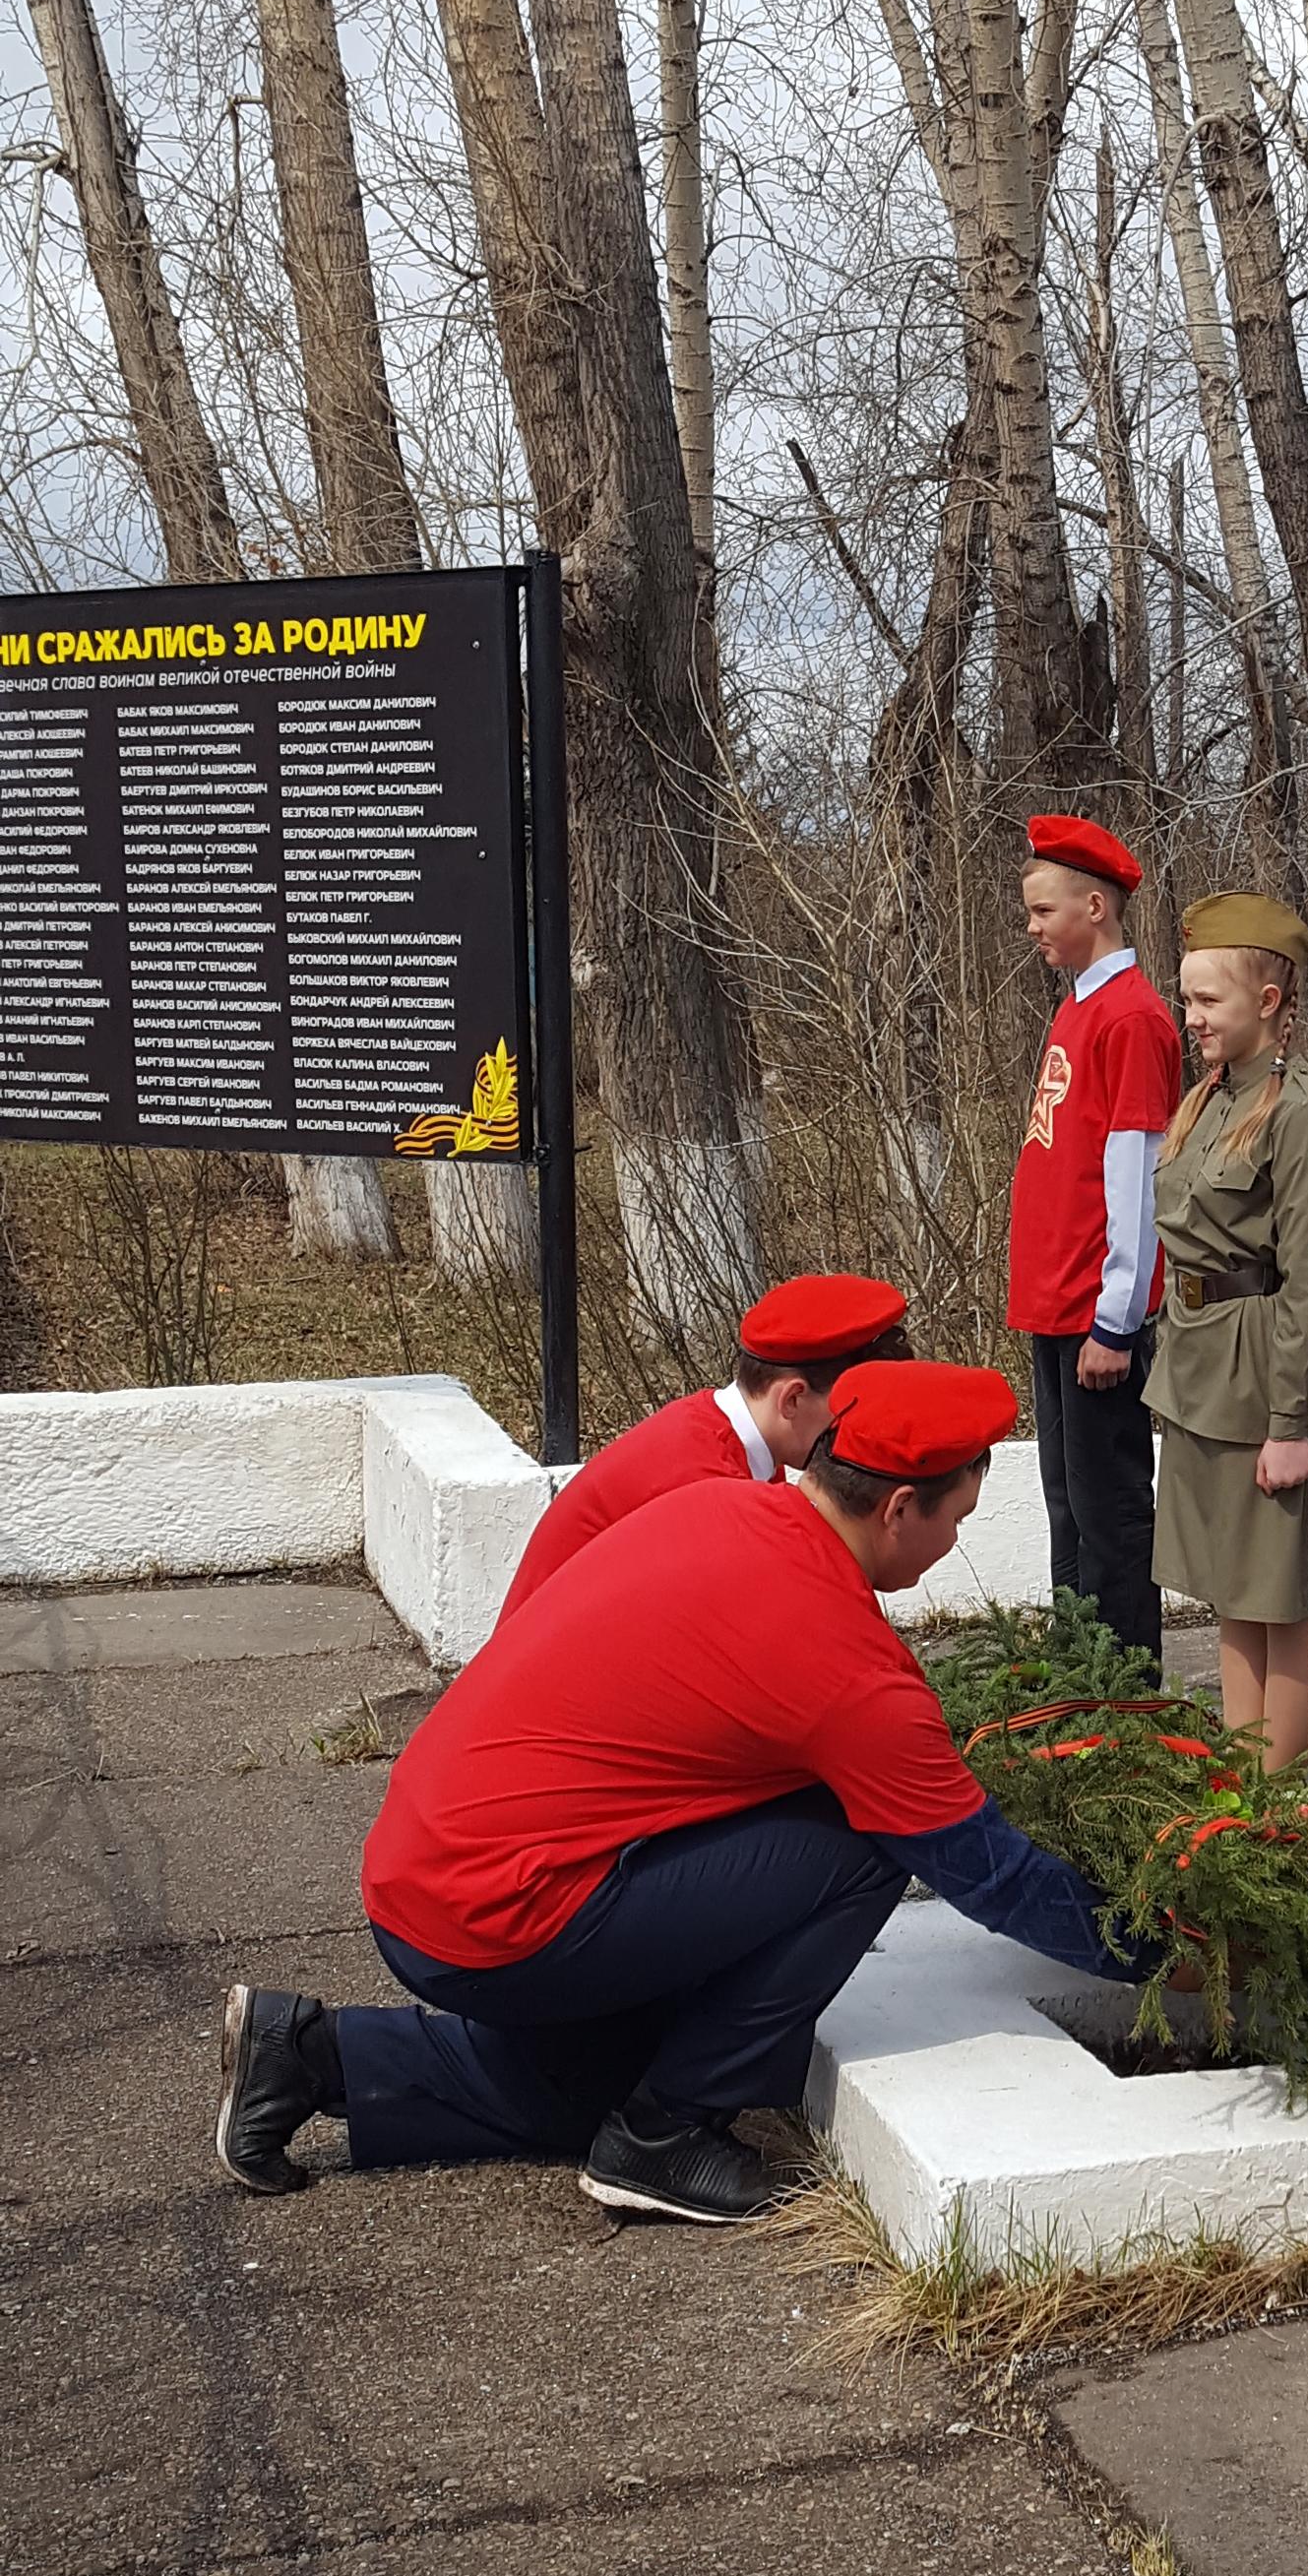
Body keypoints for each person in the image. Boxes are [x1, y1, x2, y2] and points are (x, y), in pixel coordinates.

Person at [213, 1360, 1117, 2230]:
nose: (956, 1543)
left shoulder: (720, 1503)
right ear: (898, 1508)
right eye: (956, 1518)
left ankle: (305, 2056)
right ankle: (669, 2130)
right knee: (864, 1841)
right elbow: (984, 1868)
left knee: (584, 2090)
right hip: (501, 1913)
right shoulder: (845, 1664)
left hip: (424, 1867)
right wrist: (1153, 1950)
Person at [1004, 813, 1182, 1661]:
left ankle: (1124, 1689)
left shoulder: (1132, 1018)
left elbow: (1134, 1175)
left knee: (1109, 1507)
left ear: (1094, 906)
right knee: (1066, 1502)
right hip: (1054, 1300)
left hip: (1092, 1311)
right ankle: (1075, 1672)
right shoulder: (1080, 1007)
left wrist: (1117, 1317)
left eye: (1044, 910)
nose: (1032, 927)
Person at [1148, 895, 1308, 1766]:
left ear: (1270, 1001)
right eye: (1187, 999)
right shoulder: (1206, 1101)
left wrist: (1289, 1424)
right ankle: (1243, 1786)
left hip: (1256, 1376)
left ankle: (1283, 1806)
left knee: (1277, 1599)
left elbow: (1303, 1280)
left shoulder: (1294, 1112)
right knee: (1228, 1590)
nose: (1193, 1017)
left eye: (1209, 1001)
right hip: (1197, 1367)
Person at [501, 1273, 908, 1613]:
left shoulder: (718, 1438)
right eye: (847, 1413)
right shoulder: (707, 1483)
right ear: (793, 1399)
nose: (853, 1431)